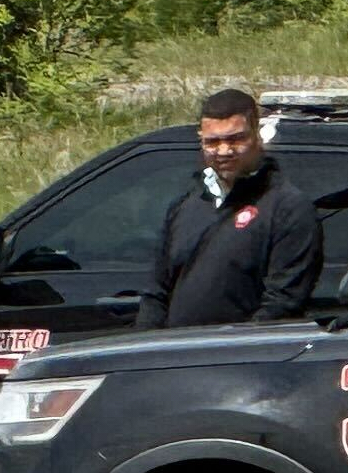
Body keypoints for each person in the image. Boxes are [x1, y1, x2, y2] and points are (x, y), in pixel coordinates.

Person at [133, 87, 321, 329]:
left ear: (257, 133)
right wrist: (148, 351)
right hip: (178, 357)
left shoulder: (288, 207)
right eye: (212, 142)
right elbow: (157, 294)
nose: (224, 151)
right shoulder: (186, 205)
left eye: (235, 139)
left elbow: (282, 305)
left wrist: (228, 351)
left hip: (239, 359)